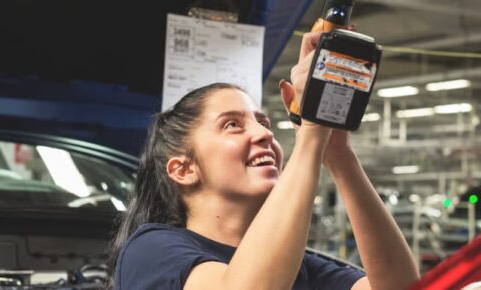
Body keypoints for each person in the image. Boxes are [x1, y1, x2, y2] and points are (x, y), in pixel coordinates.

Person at [106, 31, 419, 290]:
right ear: (184, 169)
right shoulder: (152, 251)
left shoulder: (302, 267)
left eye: (264, 123)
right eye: (232, 124)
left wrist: (338, 154)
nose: (264, 135)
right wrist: (310, 135)